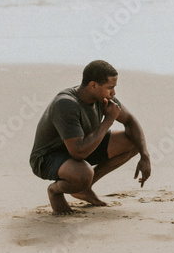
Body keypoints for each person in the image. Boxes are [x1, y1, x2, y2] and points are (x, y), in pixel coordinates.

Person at [29, 60, 151, 214]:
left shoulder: (103, 98)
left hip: (82, 144)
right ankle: (55, 191)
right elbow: (78, 153)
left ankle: (84, 189)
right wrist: (108, 120)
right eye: (110, 88)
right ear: (93, 85)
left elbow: (130, 121)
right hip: (48, 157)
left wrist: (144, 156)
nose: (113, 93)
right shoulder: (66, 104)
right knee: (84, 174)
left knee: (134, 142)